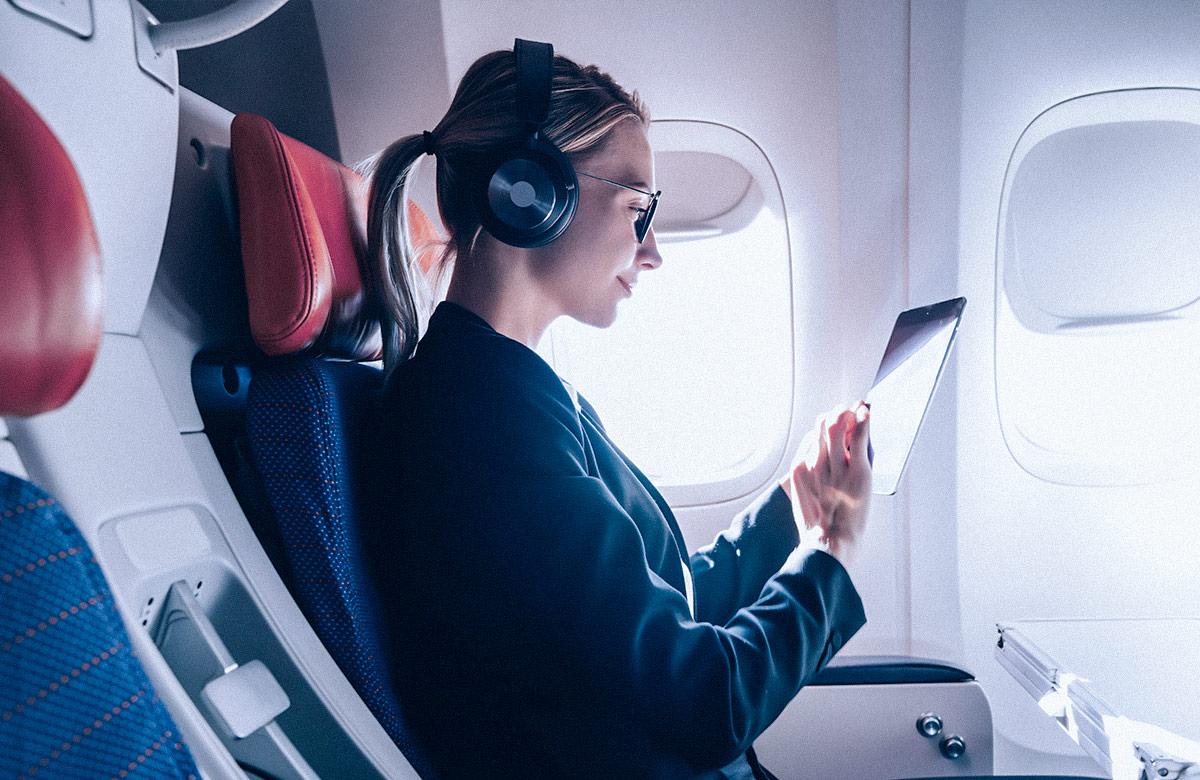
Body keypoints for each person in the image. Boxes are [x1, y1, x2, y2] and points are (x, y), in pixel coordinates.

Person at [360, 39, 872, 779]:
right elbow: (704, 701)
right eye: (637, 208)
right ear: (528, 193)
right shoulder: (483, 422)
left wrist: (794, 510)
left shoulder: (515, 391)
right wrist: (833, 548)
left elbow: (667, 598)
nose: (652, 250)